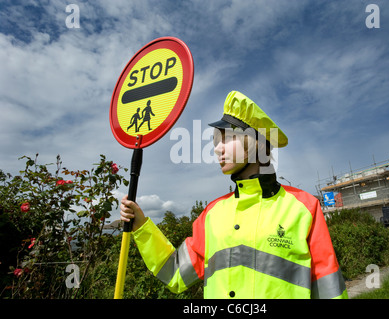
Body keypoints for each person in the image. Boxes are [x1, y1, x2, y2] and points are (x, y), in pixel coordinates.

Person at [120, 90, 348, 299]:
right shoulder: (212, 214)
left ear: (257, 143)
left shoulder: (304, 208)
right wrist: (141, 226)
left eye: (227, 138)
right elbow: (175, 273)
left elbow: (330, 290)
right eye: (216, 141)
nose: (217, 148)